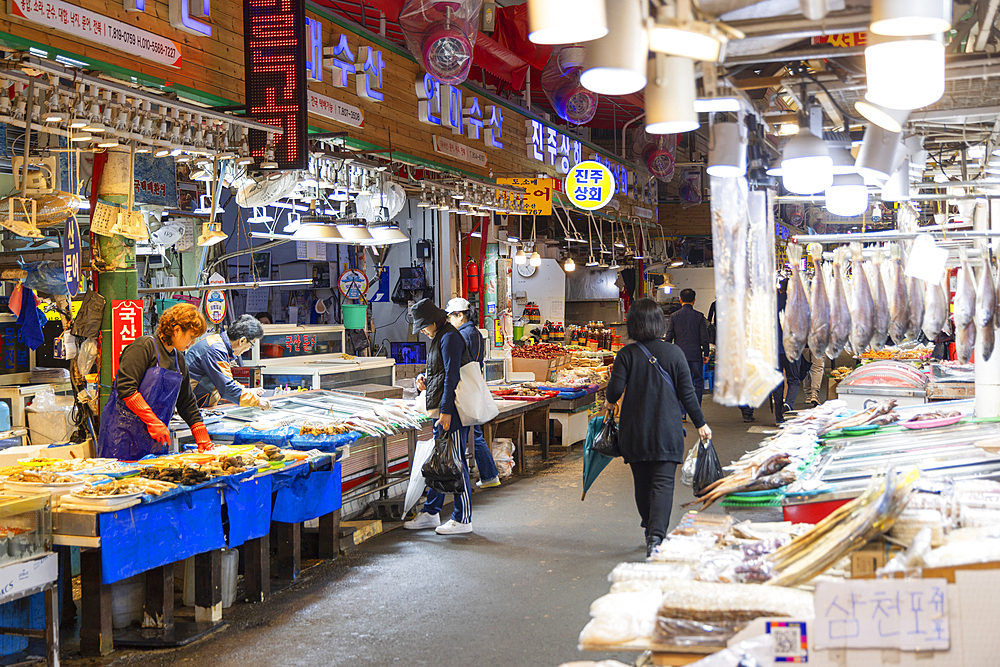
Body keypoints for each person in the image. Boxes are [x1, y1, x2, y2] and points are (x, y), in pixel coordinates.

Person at [604, 298, 713, 556]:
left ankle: (649, 526)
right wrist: (701, 423)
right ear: (659, 324)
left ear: (633, 325)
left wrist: (610, 403)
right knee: (663, 484)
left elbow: (614, 390)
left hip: (635, 431)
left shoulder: (626, 355)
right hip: (667, 430)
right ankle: (656, 537)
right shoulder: (674, 353)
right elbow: (688, 394)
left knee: (642, 483)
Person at [98, 303, 211, 459]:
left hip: (154, 437)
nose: (192, 342)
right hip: (122, 434)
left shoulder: (179, 360)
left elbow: (186, 401)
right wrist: (152, 421)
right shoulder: (143, 347)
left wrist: (201, 434)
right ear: (177, 330)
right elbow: (126, 387)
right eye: (191, 336)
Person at [403, 298, 474, 535]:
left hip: (451, 412)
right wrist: (422, 379)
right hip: (443, 411)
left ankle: (463, 519)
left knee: (455, 463)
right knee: (441, 461)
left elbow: (451, 376)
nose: (422, 330)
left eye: (423, 325)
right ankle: (432, 512)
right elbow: (438, 371)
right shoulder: (439, 338)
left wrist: (445, 412)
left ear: (434, 321)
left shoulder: (449, 337)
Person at [444, 297, 500, 489]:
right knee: (475, 432)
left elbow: (457, 365)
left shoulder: (461, 335)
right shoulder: (475, 333)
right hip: (474, 385)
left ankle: (488, 475)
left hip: (465, 388)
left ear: (460, 315)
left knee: (473, 434)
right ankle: (489, 475)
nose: (450, 320)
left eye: (451, 316)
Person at [186, 314, 271, 410]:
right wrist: (257, 401)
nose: (248, 349)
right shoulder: (216, 350)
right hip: (186, 408)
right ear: (242, 341)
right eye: (251, 345)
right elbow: (226, 388)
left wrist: (247, 391)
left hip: (196, 407)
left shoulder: (219, 344)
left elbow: (226, 380)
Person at [664, 288, 710, 421]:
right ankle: (696, 412)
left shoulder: (675, 316)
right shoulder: (699, 316)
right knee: (697, 382)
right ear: (694, 301)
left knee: (681, 383)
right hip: (695, 355)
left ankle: (682, 413)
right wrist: (706, 353)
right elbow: (704, 337)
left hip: (679, 356)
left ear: (680, 300)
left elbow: (669, 336)